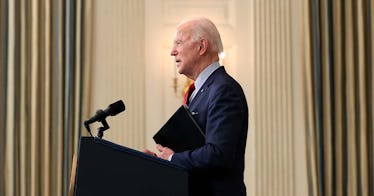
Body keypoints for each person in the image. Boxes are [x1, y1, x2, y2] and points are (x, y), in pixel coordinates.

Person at [145, 17, 248, 196]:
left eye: (178, 43)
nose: (172, 52)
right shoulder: (200, 90)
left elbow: (218, 153)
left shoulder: (224, 89)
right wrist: (162, 162)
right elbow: (195, 148)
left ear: (201, 46)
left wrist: (172, 158)